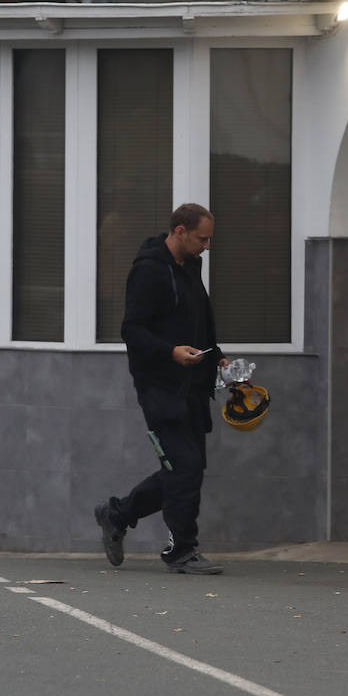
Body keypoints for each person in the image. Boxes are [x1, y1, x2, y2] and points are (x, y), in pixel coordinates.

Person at [95, 203, 229, 575]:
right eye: (202, 238)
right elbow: (132, 331)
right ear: (180, 231)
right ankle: (181, 551)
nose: (207, 246)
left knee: (187, 469)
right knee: (183, 467)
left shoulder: (191, 265)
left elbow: (200, 315)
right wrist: (170, 352)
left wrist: (216, 354)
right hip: (160, 389)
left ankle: (116, 514)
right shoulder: (149, 271)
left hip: (194, 385)